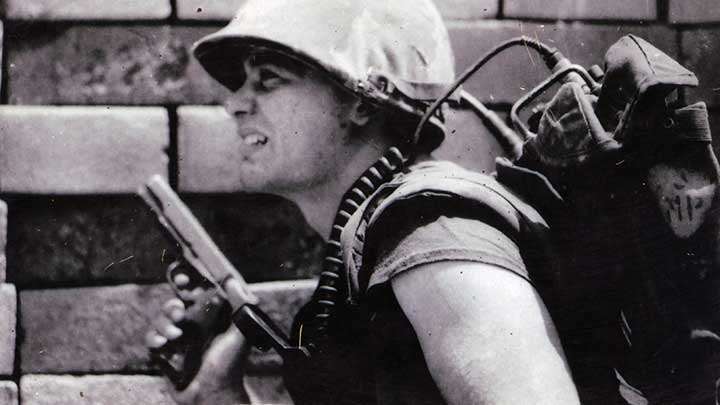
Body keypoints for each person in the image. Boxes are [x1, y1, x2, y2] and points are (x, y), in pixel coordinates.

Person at [145, 0, 582, 403]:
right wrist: (222, 395)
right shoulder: (379, 241)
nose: (235, 103)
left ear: (360, 102)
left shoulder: (434, 231)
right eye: (242, 83)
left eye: (269, 79)